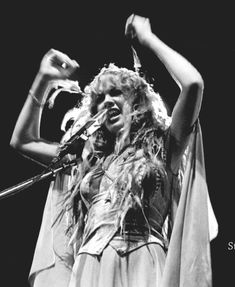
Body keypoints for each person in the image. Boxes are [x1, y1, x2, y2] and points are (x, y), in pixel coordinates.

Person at [10, 14, 217, 287]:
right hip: (90, 266)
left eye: (116, 93)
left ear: (137, 100)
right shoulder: (88, 156)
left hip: (144, 263)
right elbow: (22, 141)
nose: (107, 101)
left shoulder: (165, 146)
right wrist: (44, 79)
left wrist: (148, 39)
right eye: (100, 98)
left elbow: (193, 84)